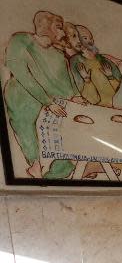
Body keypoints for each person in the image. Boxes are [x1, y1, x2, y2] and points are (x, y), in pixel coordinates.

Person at [4, 11, 88, 179]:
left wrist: (75, 97)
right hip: (23, 97)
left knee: (71, 126)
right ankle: (35, 164)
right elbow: (22, 75)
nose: (63, 33)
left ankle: (56, 170)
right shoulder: (21, 41)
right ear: (44, 26)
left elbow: (67, 86)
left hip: (50, 102)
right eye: (59, 28)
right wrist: (48, 102)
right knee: (27, 113)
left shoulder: (58, 56)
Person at [70, 25, 122, 106]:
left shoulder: (102, 59)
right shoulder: (76, 61)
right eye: (85, 38)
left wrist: (110, 77)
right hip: (98, 107)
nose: (91, 41)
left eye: (91, 38)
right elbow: (88, 97)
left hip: (115, 103)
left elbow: (119, 86)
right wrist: (87, 80)